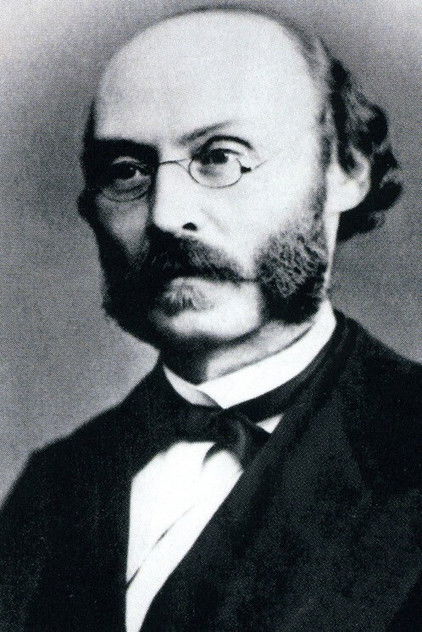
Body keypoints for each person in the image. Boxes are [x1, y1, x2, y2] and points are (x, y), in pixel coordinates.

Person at [1, 6, 420, 631]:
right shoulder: (53, 484)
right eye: (127, 171)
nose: (167, 215)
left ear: (348, 170)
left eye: (221, 157)